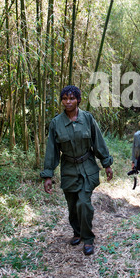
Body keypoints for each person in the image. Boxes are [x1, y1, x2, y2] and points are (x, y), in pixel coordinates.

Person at [40, 85, 113, 256]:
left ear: (78, 100)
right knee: (72, 205)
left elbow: (98, 142)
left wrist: (107, 164)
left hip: (87, 166)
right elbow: (51, 150)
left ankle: (88, 239)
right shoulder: (56, 123)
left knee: (83, 203)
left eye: (72, 98)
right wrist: (48, 175)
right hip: (69, 169)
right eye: (65, 99)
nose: (68, 102)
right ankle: (77, 232)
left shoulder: (88, 118)